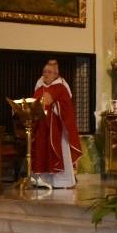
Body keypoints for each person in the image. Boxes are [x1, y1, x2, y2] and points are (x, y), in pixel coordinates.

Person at [31, 60, 82, 189]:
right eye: (44, 72)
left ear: (55, 74)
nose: (46, 74)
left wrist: (54, 105)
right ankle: (43, 180)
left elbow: (67, 107)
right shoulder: (40, 88)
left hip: (58, 129)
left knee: (59, 153)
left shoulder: (61, 87)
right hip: (42, 128)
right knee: (41, 151)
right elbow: (34, 104)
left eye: (49, 72)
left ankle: (61, 182)